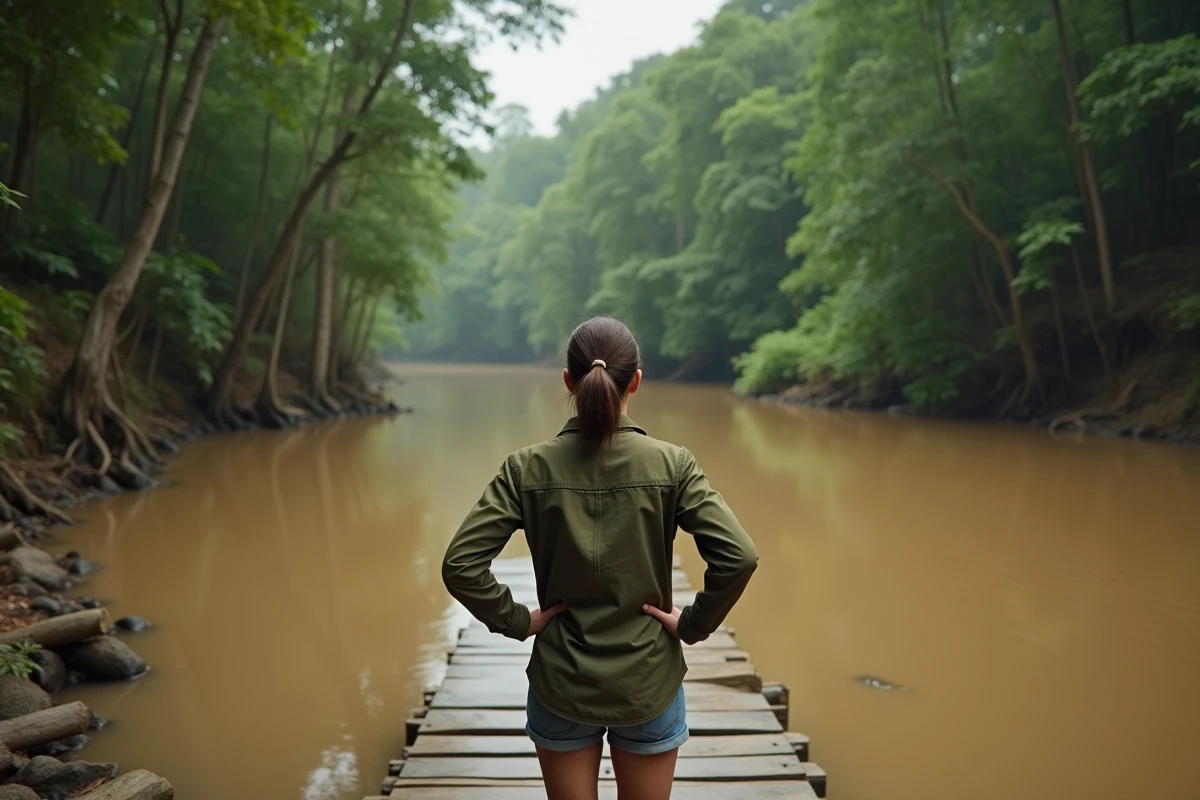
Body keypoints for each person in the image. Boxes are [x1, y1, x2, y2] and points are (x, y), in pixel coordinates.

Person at [442, 316, 758, 800]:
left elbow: (460, 564)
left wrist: (517, 620)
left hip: (562, 681)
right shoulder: (673, 464)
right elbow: (738, 556)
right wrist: (693, 625)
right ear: (636, 381)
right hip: (647, 681)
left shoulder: (526, 467)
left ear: (568, 381)